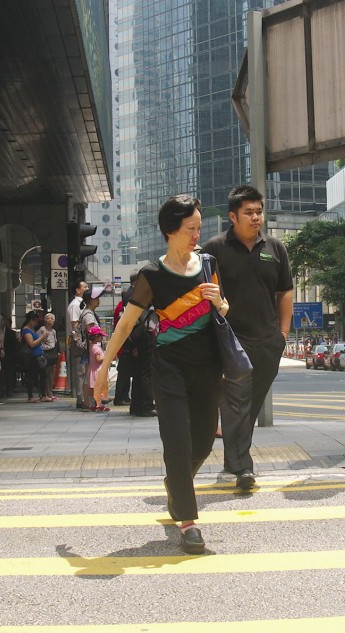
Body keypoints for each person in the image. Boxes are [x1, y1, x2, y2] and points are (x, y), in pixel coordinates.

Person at [95, 195, 225, 555]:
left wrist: (218, 300)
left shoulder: (209, 264)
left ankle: (175, 484)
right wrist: (105, 368)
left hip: (207, 364)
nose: (197, 235)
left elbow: (224, 309)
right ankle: (188, 522)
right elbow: (125, 324)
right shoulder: (151, 274)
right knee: (177, 441)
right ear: (170, 231)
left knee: (203, 441)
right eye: (190, 229)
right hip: (168, 365)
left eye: (199, 228)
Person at [201, 184, 293, 490]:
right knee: (236, 402)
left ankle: (233, 458)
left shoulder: (275, 248)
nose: (256, 217)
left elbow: (285, 292)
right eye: (248, 212)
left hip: (268, 341)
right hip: (231, 339)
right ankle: (243, 467)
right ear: (233, 216)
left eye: (259, 211)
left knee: (250, 404)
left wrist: (282, 333)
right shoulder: (214, 249)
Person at [77, 286, 102, 410]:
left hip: (89, 351)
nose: (99, 300)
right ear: (90, 300)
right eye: (97, 298)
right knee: (89, 377)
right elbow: (91, 333)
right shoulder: (89, 315)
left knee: (89, 376)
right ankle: (88, 402)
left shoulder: (89, 313)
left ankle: (90, 401)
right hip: (90, 351)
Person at [65, 279, 89, 409]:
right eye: (85, 287)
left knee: (83, 371)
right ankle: (81, 399)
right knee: (80, 371)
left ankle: (84, 397)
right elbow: (74, 325)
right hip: (78, 341)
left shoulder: (82, 304)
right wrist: (79, 341)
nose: (87, 288)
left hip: (81, 341)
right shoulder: (75, 305)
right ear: (78, 290)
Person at [112, 282, 135, 406]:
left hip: (122, 345)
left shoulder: (120, 307)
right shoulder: (122, 309)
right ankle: (120, 397)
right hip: (124, 345)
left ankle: (123, 396)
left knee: (124, 373)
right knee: (124, 373)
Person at [19, 311, 46, 402]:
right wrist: (41, 338)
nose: (36, 323)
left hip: (37, 355)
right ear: (31, 320)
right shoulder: (26, 330)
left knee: (41, 375)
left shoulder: (31, 330)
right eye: (36, 321)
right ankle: (30, 396)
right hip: (32, 356)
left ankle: (43, 395)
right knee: (31, 376)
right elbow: (31, 344)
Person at [86, 325, 110, 411]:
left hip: (93, 370)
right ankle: (98, 405)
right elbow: (98, 359)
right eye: (101, 336)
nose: (102, 338)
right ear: (96, 337)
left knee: (93, 389)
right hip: (98, 371)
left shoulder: (92, 346)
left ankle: (93, 404)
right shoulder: (96, 348)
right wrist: (107, 355)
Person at [39, 312, 59, 401]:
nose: (50, 320)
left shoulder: (53, 331)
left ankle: (50, 392)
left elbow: (55, 341)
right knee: (45, 374)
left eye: (52, 319)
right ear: (45, 320)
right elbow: (37, 340)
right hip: (44, 353)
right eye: (48, 318)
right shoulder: (42, 330)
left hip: (52, 353)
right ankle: (44, 393)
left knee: (51, 374)